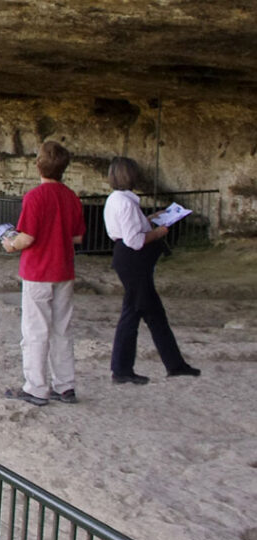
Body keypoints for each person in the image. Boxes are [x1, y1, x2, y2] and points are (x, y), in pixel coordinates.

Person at [2, 140, 86, 406]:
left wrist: (10, 244)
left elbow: (27, 237)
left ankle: (37, 388)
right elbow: (77, 238)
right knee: (62, 328)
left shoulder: (35, 197)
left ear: (38, 165)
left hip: (38, 271)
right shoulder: (71, 196)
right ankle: (65, 386)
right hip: (63, 269)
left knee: (35, 330)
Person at [103, 156, 201, 384]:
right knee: (132, 314)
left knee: (155, 315)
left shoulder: (116, 200)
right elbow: (134, 240)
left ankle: (175, 364)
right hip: (134, 261)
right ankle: (122, 370)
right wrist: (160, 232)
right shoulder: (126, 203)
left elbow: (129, 229)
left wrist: (150, 219)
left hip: (129, 260)